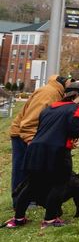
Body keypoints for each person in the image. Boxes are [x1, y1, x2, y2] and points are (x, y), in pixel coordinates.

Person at [6, 82, 79, 228]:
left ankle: (18, 218)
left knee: (32, 184)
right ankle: (50, 219)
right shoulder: (77, 109)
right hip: (58, 151)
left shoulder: (50, 107)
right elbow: (74, 130)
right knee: (59, 183)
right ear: (78, 96)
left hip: (35, 149)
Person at [9, 74, 70, 205]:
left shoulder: (56, 92)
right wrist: (30, 140)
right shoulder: (49, 93)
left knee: (32, 170)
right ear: (65, 84)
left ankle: (31, 199)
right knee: (22, 170)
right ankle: (20, 202)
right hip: (24, 137)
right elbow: (31, 120)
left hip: (33, 137)